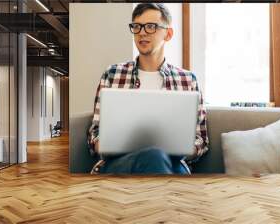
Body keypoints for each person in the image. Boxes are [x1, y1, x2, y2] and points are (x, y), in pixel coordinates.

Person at [87, 3, 208, 174]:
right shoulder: (113, 74)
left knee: (161, 159)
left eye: (151, 26)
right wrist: (105, 143)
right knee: (155, 157)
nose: (142, 32)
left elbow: (201, 140)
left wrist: (183, 147)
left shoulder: (188, 80)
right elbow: (95, 133)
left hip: (173, 162)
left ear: (168, 34)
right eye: (137, 26)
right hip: (120, 163)